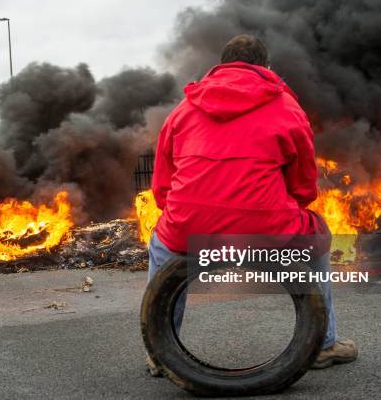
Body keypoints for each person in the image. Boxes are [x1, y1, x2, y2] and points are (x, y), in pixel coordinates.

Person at [146, 34, 358, 375]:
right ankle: (324, 345)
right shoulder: (288, 108)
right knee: (318, 243)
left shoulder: (182, 110)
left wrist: (189, 216)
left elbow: (161, 187)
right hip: (268, 231)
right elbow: (304, 187)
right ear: (265, 68)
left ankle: (160, 351)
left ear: (219, 66)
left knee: (161, 247)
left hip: (189, 228)